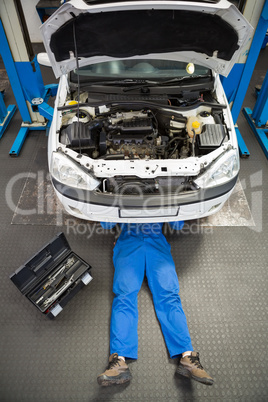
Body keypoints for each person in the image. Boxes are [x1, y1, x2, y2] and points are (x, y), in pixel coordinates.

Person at [97, 221, 213, 387]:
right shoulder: (120, 194)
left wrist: (172, 202)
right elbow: (106, 224)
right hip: (128, 242)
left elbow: (177, 224)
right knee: (124, 297)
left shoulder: (164, 193)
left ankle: (188, 356)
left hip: (157, 243)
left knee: (169, 296)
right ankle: (119, 361)